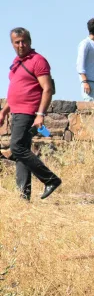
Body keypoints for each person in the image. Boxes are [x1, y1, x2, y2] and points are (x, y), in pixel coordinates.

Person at [0, 28, 61, 200]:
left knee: (17, 147)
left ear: (30, 41)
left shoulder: (38, 60)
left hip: (28, 113)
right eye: (17, 42)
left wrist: (40, 114)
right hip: (16, 112)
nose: (21, 45)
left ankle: (51, 179)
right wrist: (3, 112)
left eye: (24, 41)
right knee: (21, 152)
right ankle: (23, 195)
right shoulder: (16, 63)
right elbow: (15, 93)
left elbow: (47, 89)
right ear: (12, 44)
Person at [77, 18, 94, 102]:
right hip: (90, 83)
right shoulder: (85, 44)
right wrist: (85, 82)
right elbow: (80, 64)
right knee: (91, 109)